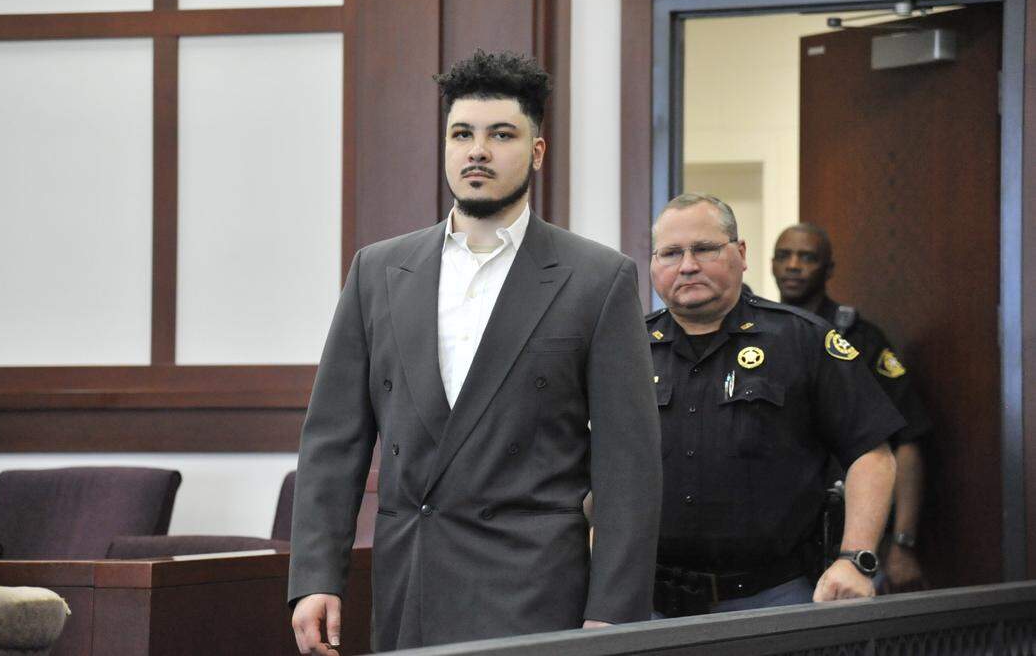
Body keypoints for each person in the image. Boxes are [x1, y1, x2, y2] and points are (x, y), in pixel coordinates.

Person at [288, 50, 662, 653]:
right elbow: (334, 439)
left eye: (501, 134)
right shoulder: (378, 270)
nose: (477, 150)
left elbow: (629, 463)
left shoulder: (597, 277)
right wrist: (314, 576)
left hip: (534, 587)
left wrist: (615, 611)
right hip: (410, 576)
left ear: (536, 153)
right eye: (462, 134)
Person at [646, 193, 904, 617]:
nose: (687, 265)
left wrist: (855, 558)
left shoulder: (803, 340)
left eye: (705, 248)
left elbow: (871, 453)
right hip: (649, 601)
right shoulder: (627, 349)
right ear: (654, 263)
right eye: (671, 252)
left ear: (741, 253)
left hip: (772, 598)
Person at [772, 223, 932, 592]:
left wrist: (904, 544)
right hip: (782, 546)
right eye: (784, 256)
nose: (793, 265)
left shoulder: (860, 339)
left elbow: (907, 443)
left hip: (852, 539)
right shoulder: (759, 337)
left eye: (807, 257)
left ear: (828, 269)